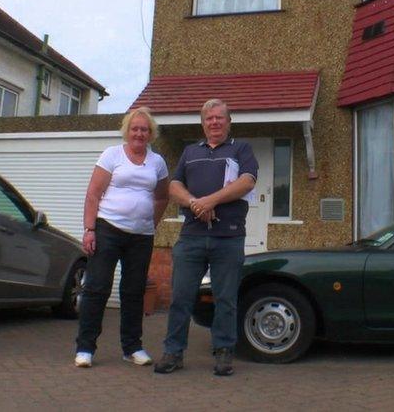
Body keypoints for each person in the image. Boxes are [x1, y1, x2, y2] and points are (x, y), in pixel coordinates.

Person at [154, 98, 257, 376]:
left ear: (228, 121)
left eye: (219, 118)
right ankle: (173, 352)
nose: (214, 122)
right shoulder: (190, 152)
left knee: (226, 299)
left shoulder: (241, 149)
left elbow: (247, 181)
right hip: (191, 238)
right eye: (209, 118)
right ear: (203, 123)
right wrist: (195, 204)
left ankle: (224, 352)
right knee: (181, 297)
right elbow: (174, 186)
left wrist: (209, 201)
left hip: (229, 238)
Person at [74, 107, 169, 368]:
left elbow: (162, 196)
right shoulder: (112, 155)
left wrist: (151, 221)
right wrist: (90, 229)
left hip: (141, 236)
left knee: (133, 291)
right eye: (135, 128)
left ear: (151, 134)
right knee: (96, 288)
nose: (139, 133)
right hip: (108, 229)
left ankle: (132, 347)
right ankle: (85, 348)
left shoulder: (157, 162)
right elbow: (93, 194)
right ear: (127, 131)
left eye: (145, 129)